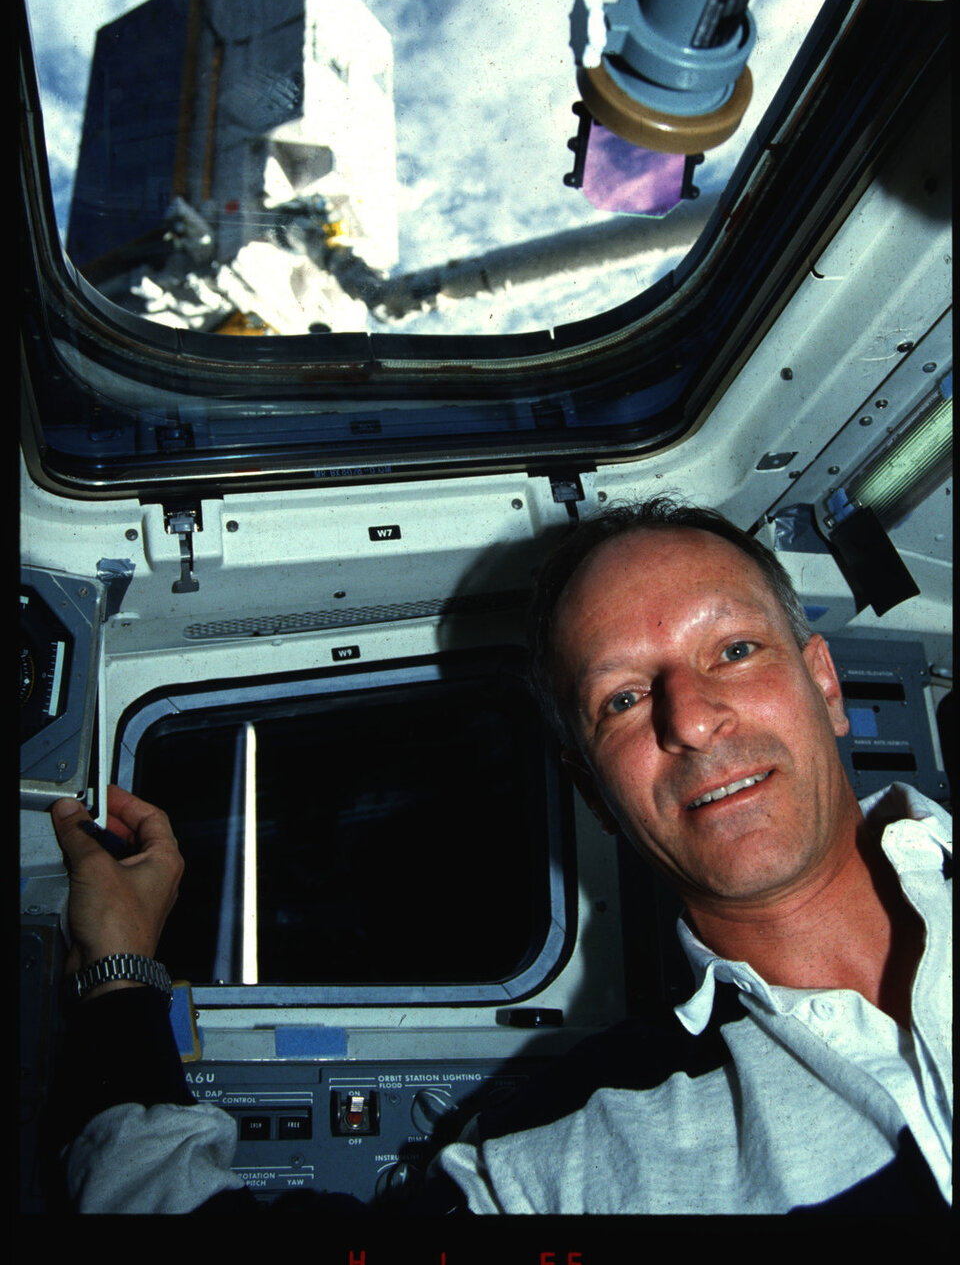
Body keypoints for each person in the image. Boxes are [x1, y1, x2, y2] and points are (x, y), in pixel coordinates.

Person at [48, 497, 951, 1214]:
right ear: (592, 791)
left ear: (824, 682)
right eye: (624, 699)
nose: (691, 717)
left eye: (737, 649)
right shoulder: (572, 1148)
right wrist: (120, 975)